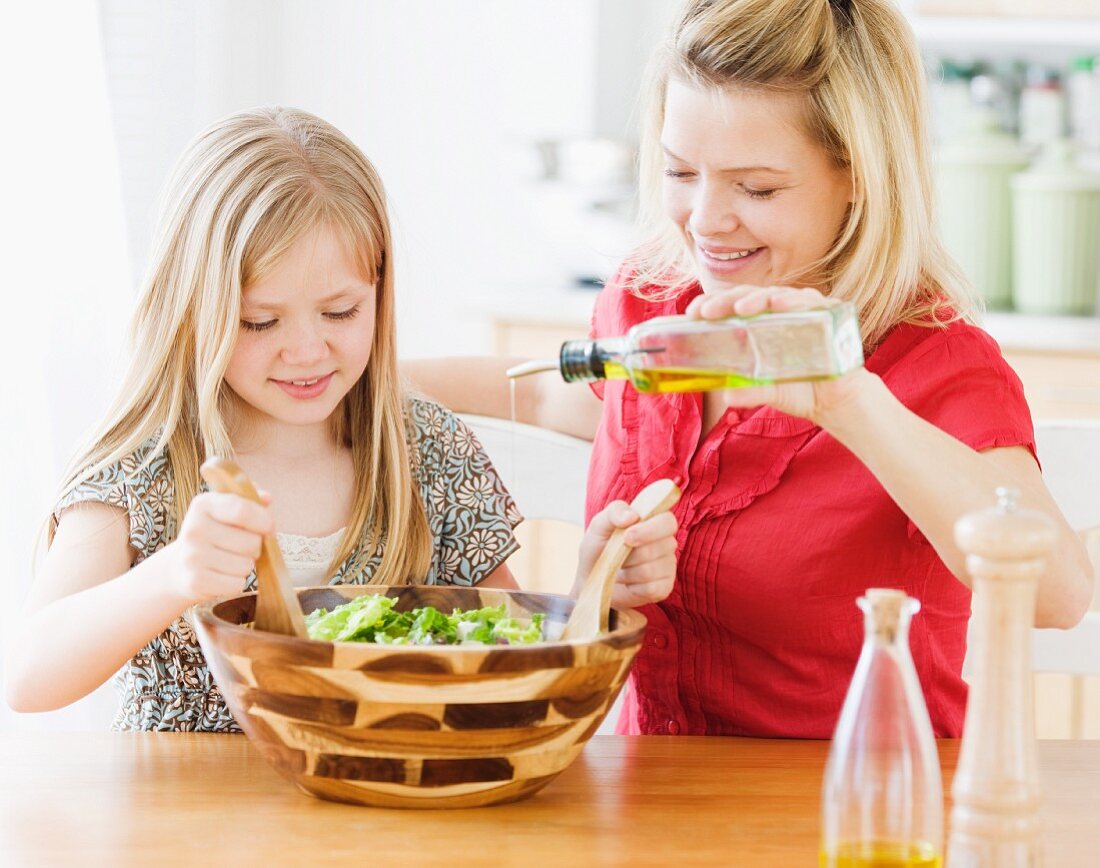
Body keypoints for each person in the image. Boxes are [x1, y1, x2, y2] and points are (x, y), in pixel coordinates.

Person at [404, 0, 1093, 738]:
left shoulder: (935, 362)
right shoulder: (649, 305)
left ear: (859, 175)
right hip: (653, 813)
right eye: (679, 171)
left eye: (755, 188)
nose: (704, 219)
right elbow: (553, 395)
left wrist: (846, 402)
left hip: (858, 820)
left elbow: (1057, 593)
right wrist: (346, 379)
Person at [3, 107, 678, 731]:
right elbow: (28, 676)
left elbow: (506, 664)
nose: (306, 350)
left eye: (339, 313)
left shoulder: (426, 452)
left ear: (379, 293)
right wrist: (172, 574)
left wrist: (590, 587)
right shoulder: (144, 467)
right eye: (259, 321)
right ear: (193, 310)